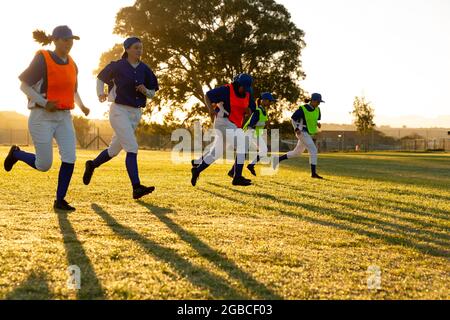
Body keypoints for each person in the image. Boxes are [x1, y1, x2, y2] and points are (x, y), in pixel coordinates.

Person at [4, 25, 89, 211]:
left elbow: (74, 91)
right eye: (66, 39)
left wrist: (82, 106)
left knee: (70, 157)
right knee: (43, 165)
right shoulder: (43, 58)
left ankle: (60, 200)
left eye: (71, 40)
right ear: (56, 40)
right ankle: (16, 154)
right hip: (41, 116)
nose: (69, 43)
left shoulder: (73, 63)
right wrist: (44, 102)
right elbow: (23, 87)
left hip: (64, 116)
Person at [83, 37, 159, 199]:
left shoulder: (145, 69)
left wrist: (145, 90)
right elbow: (100, 78)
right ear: (127, 49)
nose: (139, 50)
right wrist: (100, 93)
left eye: (141, 48)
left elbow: (152, 93)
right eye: (136, 48)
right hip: (118, 111)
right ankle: (136, 187)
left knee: (113, 150)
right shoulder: (117, 66)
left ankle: (92, 164)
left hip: (135, 113)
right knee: (132, 147)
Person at [191, 73, 256, 186]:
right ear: (238, 84)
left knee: (216, 153)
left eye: (247, 88)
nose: (245, 90)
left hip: (234, 125)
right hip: (223, 122)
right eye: (243, 87)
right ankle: (237, 177)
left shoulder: (248, 93)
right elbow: (208, 95)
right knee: (243, 144)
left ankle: (197, 170)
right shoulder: (226, 90)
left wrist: (248, 111)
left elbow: (251, 109)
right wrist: (211, 109)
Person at [273, 93, 324, 179]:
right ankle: (313, 173)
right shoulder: (303, 109)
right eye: (318, 102)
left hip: (308, 133)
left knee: (297, 153)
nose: (319, 104)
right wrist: (296, 129)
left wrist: (317, 124)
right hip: (302, 132)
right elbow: (293, 119)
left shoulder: (317, 109)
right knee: (313, 150)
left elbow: (312, 119)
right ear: (313, 101)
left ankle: (277, 159)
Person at [227, 92, 276, 177]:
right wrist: (264, 123)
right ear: (263, 101)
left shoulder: (264, 111)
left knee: (264, 150)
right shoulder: (257, 111)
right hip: (249, 132)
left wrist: (265, 125)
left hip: (256, 134)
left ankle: (250, 165)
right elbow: (251, 124)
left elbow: (261, 124)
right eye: (269, 101)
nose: (270, 103)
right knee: (243, 153)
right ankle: (233, 172)